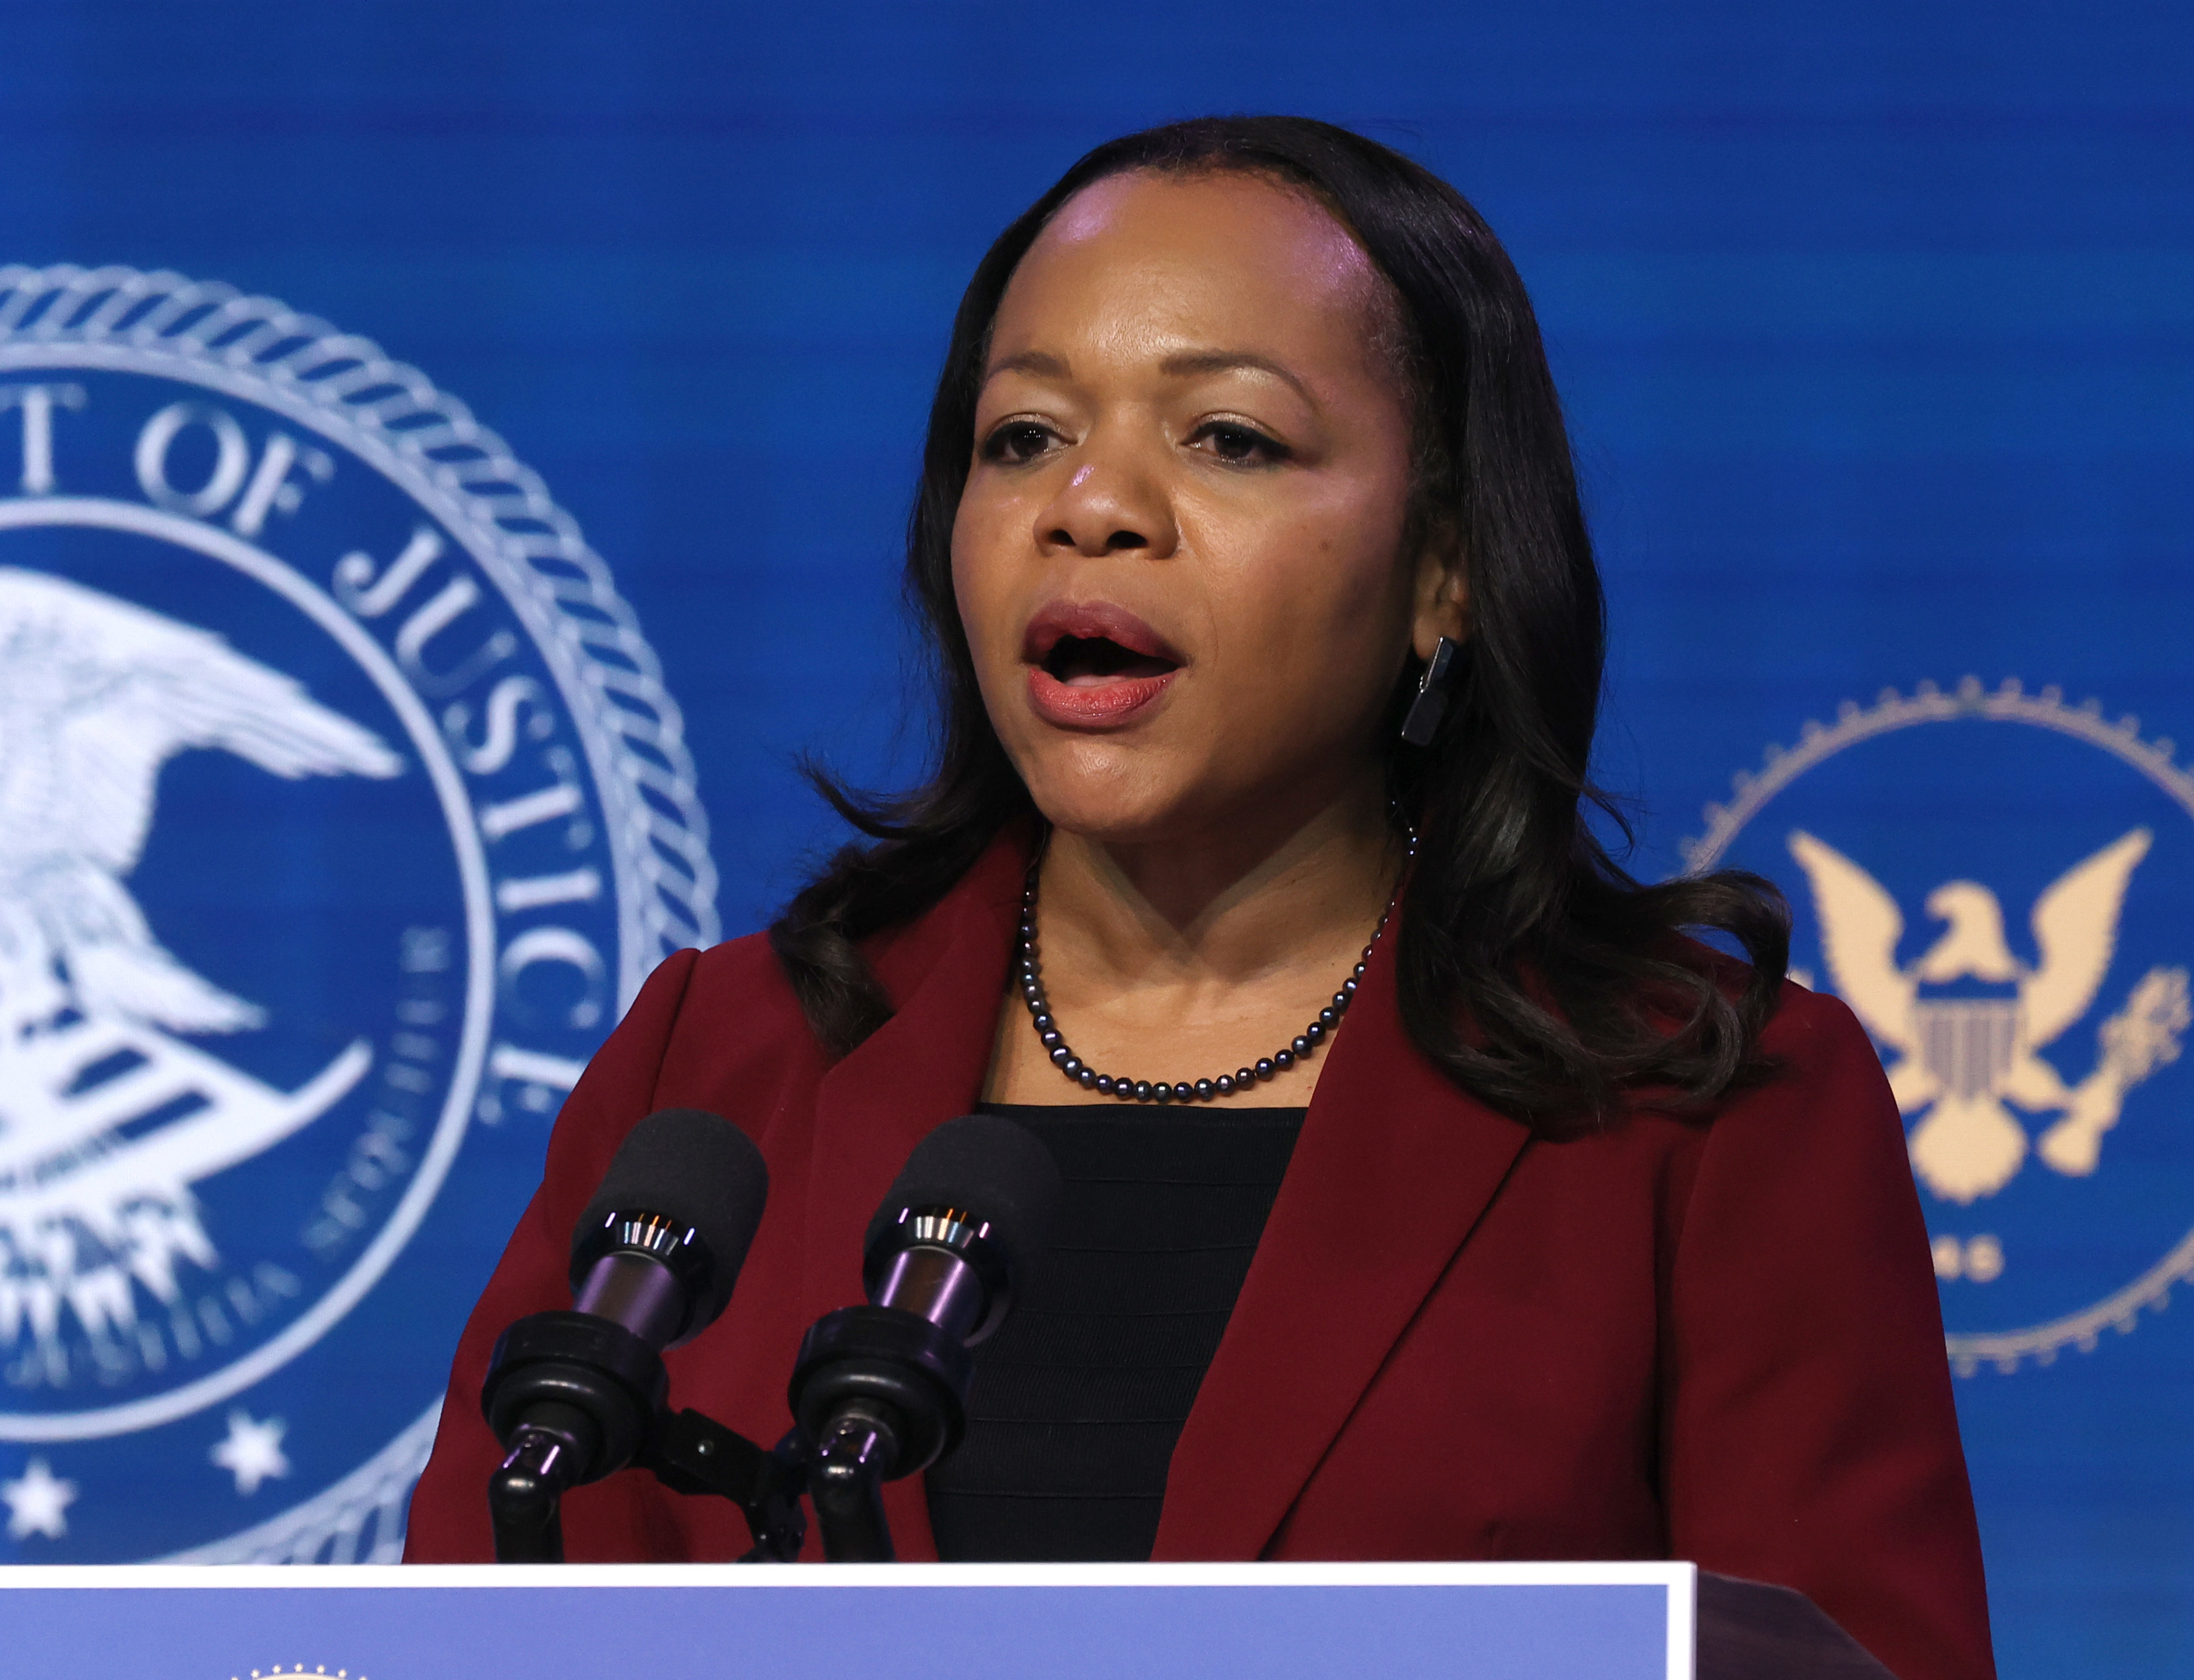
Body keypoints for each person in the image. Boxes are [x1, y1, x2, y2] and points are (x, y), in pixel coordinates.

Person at [405, 115, 1993, 1680]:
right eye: (1020, 437)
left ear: (1444, 568)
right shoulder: (725, 1064)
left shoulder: (1699, 1111)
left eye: (1226, 438)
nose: (1089, 508)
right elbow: (474, 1609)